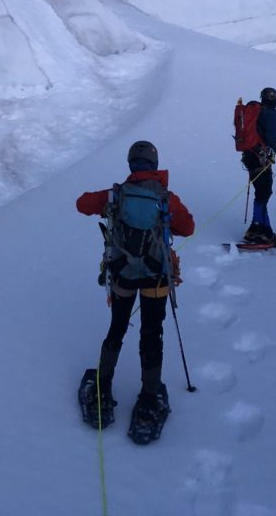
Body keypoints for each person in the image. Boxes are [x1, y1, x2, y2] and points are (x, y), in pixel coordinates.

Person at [76, 140, 195, 442]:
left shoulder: (116, 195)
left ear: (131, 164)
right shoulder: (167, 198)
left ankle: (102, 388)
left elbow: (82, 203)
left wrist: (110, 205)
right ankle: (150, 396)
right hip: (156, 279)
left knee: (116, 329)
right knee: (151, 334)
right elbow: (188, 227)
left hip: (123, 277)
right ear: (154, 165)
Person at [242, 87, 276, 244]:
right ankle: (260, 230)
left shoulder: (254, 112)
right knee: (264, 192)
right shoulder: (268, 114)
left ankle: (260, 230)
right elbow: (271, 138)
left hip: (249, 156)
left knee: (261, 192)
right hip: (260, 158)